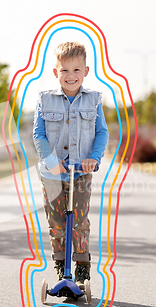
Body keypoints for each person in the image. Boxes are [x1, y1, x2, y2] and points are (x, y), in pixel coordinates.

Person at [32, 41, 109, 290]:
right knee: (56, 222)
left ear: (85, 71)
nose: (71, 75)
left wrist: (93, 159)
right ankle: (60, 268)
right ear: (56, 73)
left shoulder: (94, 100)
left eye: (77, 70)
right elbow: (38, 135)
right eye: (65, 70)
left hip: (80, 174)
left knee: (78, 221)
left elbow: (102, 133)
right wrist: (52, 162)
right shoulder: (45, 100)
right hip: (52, 174)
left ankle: (82, 267)